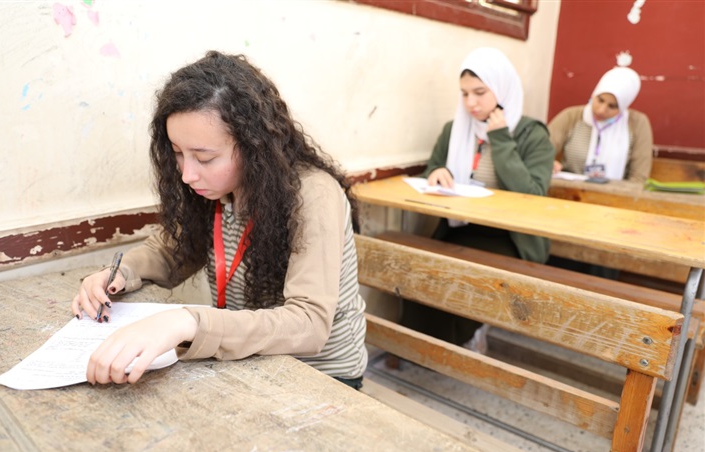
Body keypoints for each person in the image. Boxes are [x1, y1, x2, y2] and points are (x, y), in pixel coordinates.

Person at [71, 51, 367, 389]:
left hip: (322, 378)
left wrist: (189, 323)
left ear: (254, 147)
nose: (187, 174)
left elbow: (309, 324)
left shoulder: (314, 195)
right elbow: (170, 251)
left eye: (204, 158)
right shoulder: (215, 189)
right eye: (178, 153)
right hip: (250, 365)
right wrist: (119, 273)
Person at [400, 47, 554, 353]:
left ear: (502, 88)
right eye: (465, 94)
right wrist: (437, 172)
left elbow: (532, 196)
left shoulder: (532, 134)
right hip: (460, 227)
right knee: (423, 269)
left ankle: (459, 342)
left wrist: (501, 139)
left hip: (510, 237)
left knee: (466, 277)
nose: (470, 103)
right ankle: (423, 349)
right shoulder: (455, 129)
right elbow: (433, 169)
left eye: (480, 93)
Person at [548, 65, 653, 183]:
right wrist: (548, 163)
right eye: (600, 100)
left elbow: (639, 178)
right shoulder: (572, 116)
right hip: (568, 189)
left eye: (612, 106)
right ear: (594, 94)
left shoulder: (637, 124)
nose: (601, 110)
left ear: (623, 107)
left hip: (616, 192)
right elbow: (541, 151)